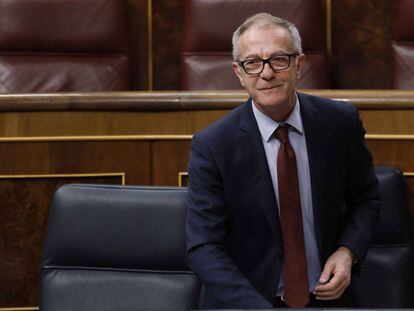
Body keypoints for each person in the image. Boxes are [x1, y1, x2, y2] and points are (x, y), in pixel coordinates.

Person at [186, 13, 380, 309]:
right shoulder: (213, 146)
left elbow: (366, 199)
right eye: (252, 63)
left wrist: (347, 251)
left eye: (279, 59)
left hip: (329, 299)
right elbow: (204, 247)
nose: (266, 73)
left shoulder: (340, 124)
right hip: (250, 302)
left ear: (298, 64)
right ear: (238, 73)